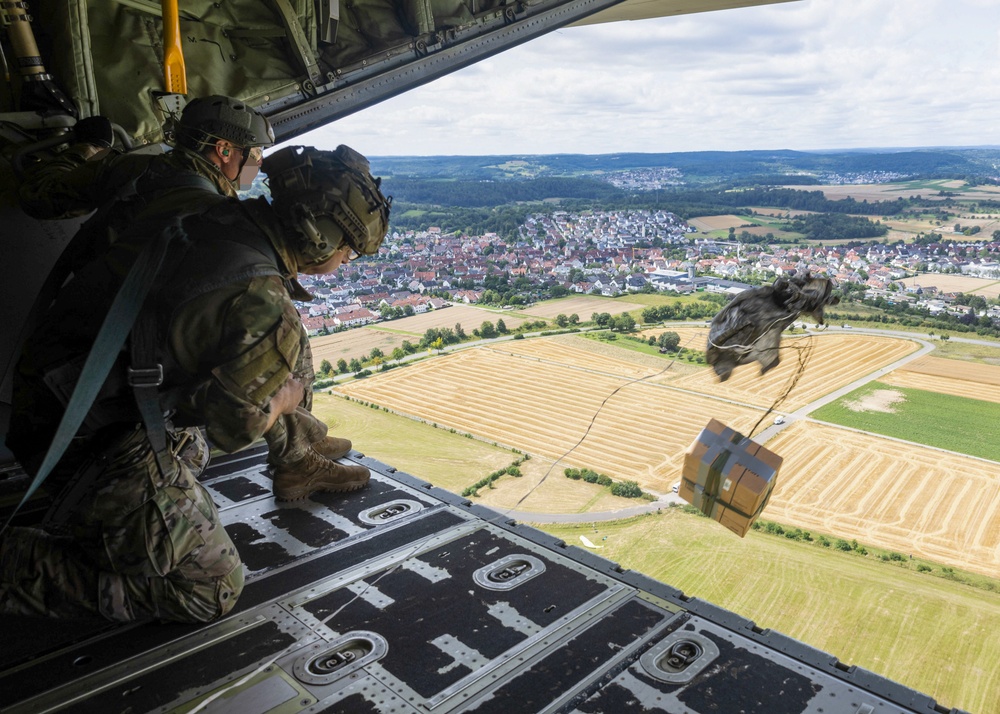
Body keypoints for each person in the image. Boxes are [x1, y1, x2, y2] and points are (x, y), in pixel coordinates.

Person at [0, 144, 391, 623]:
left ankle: (296, 461)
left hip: (54, 392)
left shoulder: (202, 205)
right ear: (318, 238)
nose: (346, 260)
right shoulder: (262, 305)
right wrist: (282, 400)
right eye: (348, 249)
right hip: (89, 440)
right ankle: (17, 565)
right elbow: (231, 429)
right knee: (211, 589)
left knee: (229, 415)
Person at [17, 95, 355, 491]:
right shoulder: (209, 207)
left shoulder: (134, 171)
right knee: (267, 343)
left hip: (113, 326)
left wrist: (86, 151)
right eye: (255, 152)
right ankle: (297, 454)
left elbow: (40, 193)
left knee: (280, 332)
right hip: (118, 347)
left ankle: (301, 445)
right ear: (224, 150)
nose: (258, 163)